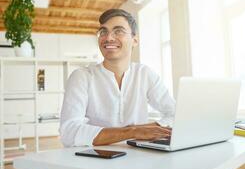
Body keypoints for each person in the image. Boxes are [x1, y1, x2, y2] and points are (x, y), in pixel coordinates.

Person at [59, 9, 175, 147]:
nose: (108, 38)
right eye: (103, 32)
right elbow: (69, 132)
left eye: (118, 31)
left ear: (135, 40)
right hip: (94, 159)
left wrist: (148, 130)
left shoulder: (145, 74)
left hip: (140, 157)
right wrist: (132, 131)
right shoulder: (82, 77)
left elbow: (176, 114)